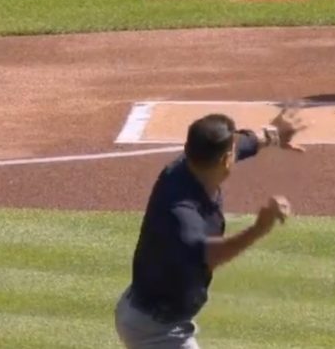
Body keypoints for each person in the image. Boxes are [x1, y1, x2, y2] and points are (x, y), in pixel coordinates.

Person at [113, 106, 308, 348]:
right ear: (227, 160)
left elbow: (241, 144)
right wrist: (259, 228)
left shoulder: (192, 164)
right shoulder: (181, 214)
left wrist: (273, 135)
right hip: (157, 329)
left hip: (151, 314)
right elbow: (209, 255)